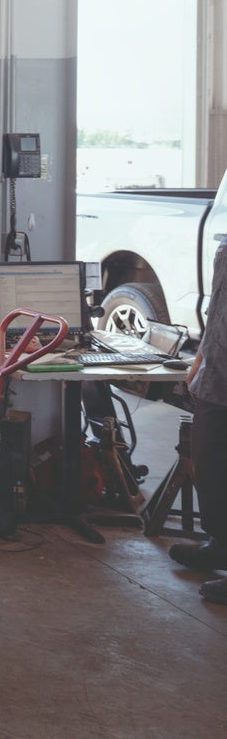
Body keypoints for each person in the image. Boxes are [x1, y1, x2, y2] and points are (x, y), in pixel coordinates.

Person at [171, 237, 227, 603]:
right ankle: (220, 544)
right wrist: (200, 361)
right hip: (217, 375)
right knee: (211, 468)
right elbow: (218, 309)